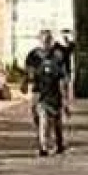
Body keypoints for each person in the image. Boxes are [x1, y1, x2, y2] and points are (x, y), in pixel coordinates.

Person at [25, 29, 71, 157]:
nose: (45, 43)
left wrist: (66, 99)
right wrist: (26, 82)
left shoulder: (57, 56)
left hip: (54, 94)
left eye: (47, 40)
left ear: (51, 41)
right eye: (43, 40)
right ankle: (43, 146)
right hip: (39, 93)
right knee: (42, 120)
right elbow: (28, 72)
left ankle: (59, 143)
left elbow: (63, 78)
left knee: (56, 122)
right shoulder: (34, 55)